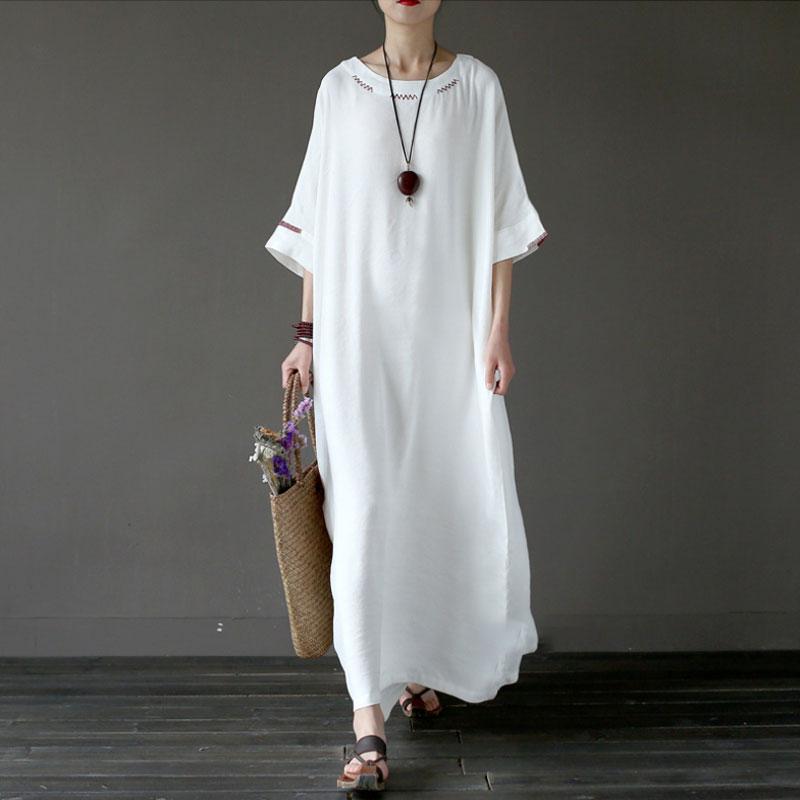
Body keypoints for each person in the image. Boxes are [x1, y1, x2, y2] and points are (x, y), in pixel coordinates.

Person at [264, 0, 548, 791]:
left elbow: (502, 221)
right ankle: (367, 715)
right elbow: (319, 224)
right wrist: (307, 335)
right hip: (358, 342)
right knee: (360, 512)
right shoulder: (340, 90)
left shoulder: (478, 89)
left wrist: (497, 332)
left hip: (450, 343)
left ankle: (419, 666)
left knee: (440, 501)